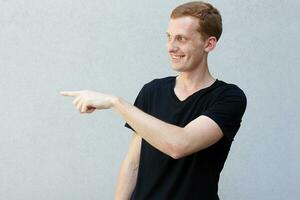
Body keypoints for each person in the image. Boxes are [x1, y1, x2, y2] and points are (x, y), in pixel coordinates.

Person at [60, 1, 247, 199]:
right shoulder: (153, 91)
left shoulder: (228, 98)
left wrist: (115, 102)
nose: (171, 47)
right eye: (169, 37)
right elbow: (133, 164)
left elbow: (180, 144)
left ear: (209, 43)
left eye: (181, 39)